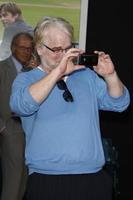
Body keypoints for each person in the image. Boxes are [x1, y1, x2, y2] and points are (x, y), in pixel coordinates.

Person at [10, 17, 130, 200]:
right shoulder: (26, 79)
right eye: (57, 49)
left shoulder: (86, 76)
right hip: (47, 179)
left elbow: (119, 103)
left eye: (67, 48)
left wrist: (111, 76)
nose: (64, 54)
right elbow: (21, 105)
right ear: (39, 48)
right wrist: (58, 72)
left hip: (93, 178)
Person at [0, 32, 35, 200]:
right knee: (13, 181)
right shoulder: (1, 68)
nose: (27, 52)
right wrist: (2, 127)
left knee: (24, 181)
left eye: (30, 48)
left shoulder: (32, 71)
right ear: (13, 48)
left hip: (30, 131)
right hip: (10, 130)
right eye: (23, 47)